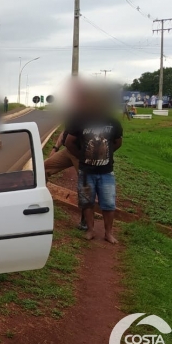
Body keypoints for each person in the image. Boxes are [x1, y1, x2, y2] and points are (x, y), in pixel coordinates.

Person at [65, 86, 123, 244]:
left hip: (106, 172)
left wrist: (106, 155)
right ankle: (90, 230)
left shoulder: (113, 122)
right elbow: (69, 142)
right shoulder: (80, 119)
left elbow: (118, 142)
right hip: (86, 171)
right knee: (87, 201)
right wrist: (81, 155)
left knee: (109, 204)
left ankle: (108, 233)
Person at [45, 128, 87, 230]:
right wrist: (55, 148)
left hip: (82, 154)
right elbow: (65, 131)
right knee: (43, 168)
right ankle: (41, 202)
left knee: (85, 184)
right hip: (68, 151)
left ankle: (85, 221)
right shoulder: (73, 115)